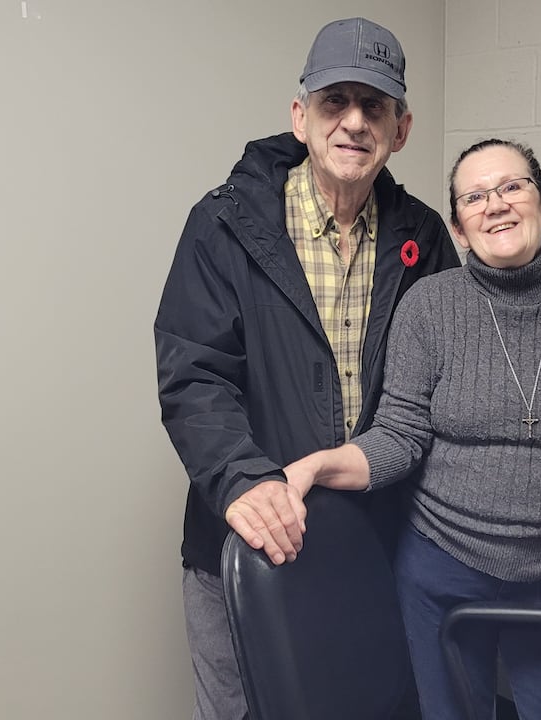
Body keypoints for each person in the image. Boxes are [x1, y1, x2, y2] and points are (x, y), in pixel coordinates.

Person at [154, 17, 460, 720]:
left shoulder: (423, 238)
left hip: (373, 548)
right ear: (300, 116)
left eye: (374, 106)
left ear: (400, 128)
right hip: (247, 542)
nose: (353, 122)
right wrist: (242, 480)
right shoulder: (224, 225)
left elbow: (442, 392)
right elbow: (195, 374)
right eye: (334, 101)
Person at [280, 139, 541, 720]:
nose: (494, 205)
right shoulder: (428, 306)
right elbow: (399, 436)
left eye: (511, 187)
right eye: (474, 197)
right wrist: (317, 464)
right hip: (439, 568)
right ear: (458, 226)